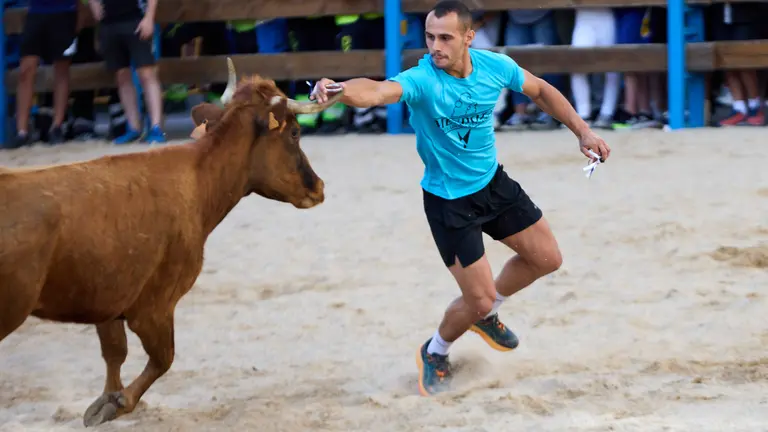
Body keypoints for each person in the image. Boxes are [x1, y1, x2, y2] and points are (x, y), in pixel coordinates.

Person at [310, 0, 610, 396]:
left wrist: (583, 132)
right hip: (449, 203)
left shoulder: (494, 66)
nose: (435, 46)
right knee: (479, 299)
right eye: (430, 37)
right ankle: (435, 351)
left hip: (492, 184)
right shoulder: (422, 80)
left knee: (547, 259)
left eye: (446, 38)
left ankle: (487, 316)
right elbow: (378, 92)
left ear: (469, 37)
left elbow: (541, 90)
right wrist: (341, 90)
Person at [88, 0, 166, 144]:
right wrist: (94, 4)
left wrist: (149, 17)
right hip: (109, 23)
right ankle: (133, 128)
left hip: (136, 18)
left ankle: (156, 127)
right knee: (122, 76)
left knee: (147, 74)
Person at [13, 0, 82, 147]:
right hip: (36, 11)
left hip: (65, 11)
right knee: (26, 69)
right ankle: (22, 132)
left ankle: (56, 127)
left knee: (62, 69)